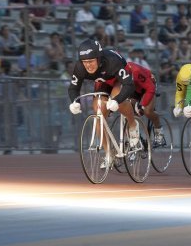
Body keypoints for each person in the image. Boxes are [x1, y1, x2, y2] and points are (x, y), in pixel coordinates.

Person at [67, 39, 139, 167]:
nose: (88, 65)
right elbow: (73, 88)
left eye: (90, 61)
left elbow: (129, 85)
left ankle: (133, 125)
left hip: (118, 79)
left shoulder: (112, 61)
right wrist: (74, 101)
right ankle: (108, 154)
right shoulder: (79, 67)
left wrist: (117, 100)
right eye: (85, 62)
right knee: (99, 112)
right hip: (103, 81)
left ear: (99, 59)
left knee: (119, 99)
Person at [124, 61, 165, 144]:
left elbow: (150, 89)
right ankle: (135, 139)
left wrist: (142, 105)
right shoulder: (114, 71)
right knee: (128, 111)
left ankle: (159, 131)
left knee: (147, 111)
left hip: (148, 86)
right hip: (133, 88)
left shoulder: (136, 71)